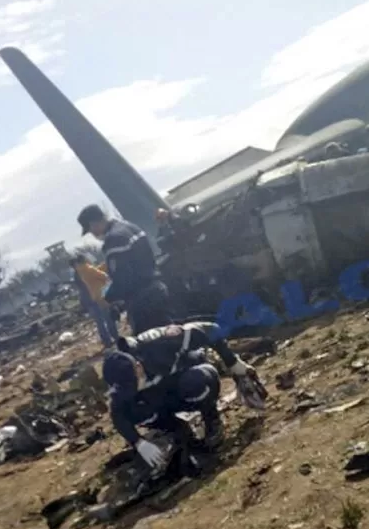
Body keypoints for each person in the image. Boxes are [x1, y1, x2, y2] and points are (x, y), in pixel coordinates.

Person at [102, 321, 265, 480]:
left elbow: (211, 329)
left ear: (138, 367)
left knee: (196, 382)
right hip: (160, 400)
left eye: (133, 384)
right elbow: (117, 414)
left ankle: (211, 418)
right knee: (133, 411)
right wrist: (138, 442)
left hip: (187, 381)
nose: (132, 390)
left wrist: (233, 363)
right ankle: (177, 431)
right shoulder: (119, 381)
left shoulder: (158, 343)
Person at [77, 204, 174, 334]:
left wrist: (108, 297)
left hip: (142, 301)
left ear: (93, 223)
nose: (93, 234)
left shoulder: (113, 240)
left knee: (153, 344)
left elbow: (121, 278)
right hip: (157, 288)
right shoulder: (130, 226)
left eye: (90, 229)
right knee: (171, 335)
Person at [71, 255, 119, 347]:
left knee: (100, 322)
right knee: (107, 318)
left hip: (91, 300)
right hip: (97, 298)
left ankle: (107, 341)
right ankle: (114, 337)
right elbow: (100, 275)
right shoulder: (86, 270)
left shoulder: (79, 273)